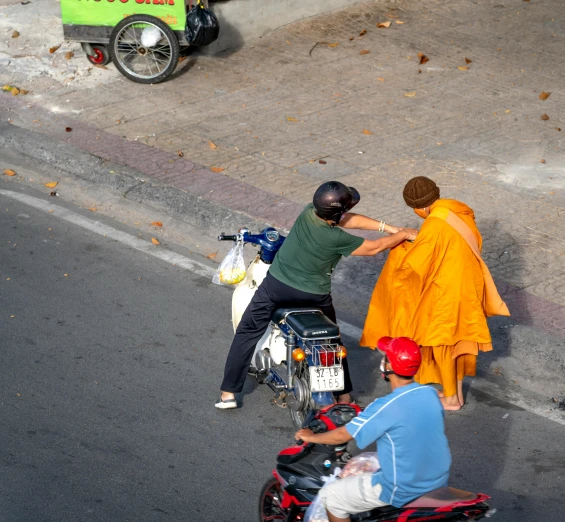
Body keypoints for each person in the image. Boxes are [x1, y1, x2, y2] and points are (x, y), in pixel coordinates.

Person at [217, 181, 418, 409]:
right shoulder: (338, 239)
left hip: (276, 287)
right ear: (337, 213)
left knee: (247, 332)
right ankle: (344, 396)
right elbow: (373, 247)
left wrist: (391, 229)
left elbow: (348, 219)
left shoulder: (308, 213)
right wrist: (401, 234)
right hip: (314, 296)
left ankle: (228, 393)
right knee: (332, 341)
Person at [360, 176, 510, 411]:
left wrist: (402, 250)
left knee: (442, 345)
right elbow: (446, 245)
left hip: (447, 294)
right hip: (467, 285)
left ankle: (450, 399)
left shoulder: (432, 226)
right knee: (458, 343)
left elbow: (416, 267)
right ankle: (456, 394)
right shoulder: (456, 211)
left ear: (419, 207)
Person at [294, 336, 451, 522]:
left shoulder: (385, 406)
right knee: (366, 463)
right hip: (438, 478)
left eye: (385, 358)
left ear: (390, 367)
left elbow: (343, 435)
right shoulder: (431, 394)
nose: (382, 361)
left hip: (403, 487)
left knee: (331, 496)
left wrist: (311, 437)